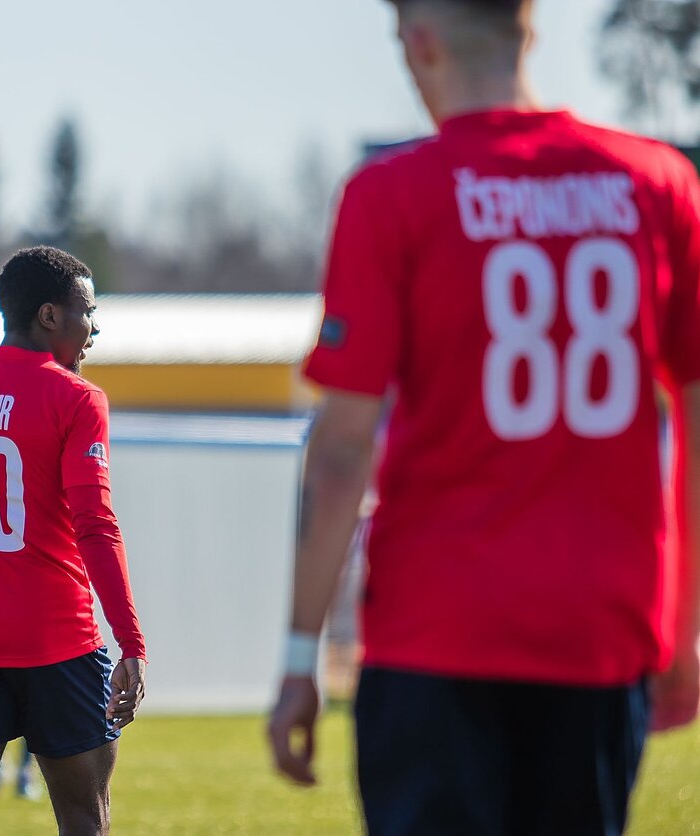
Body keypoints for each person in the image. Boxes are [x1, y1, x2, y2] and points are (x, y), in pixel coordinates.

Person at [267, 1, 700, 834]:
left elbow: (341, 450)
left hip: (434, 631)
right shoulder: (657, 184)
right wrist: (681, 630)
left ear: (418, 41)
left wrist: (297, 657)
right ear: (527, 28)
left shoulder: (392, 194)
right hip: (599, 627)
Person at [0, 245, 147, 836]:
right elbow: (96, 524)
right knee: (83, 822)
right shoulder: (77, 398)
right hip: (57, 640)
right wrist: (130, 640)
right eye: (87, 312)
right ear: (49, 315)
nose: (95, 328)